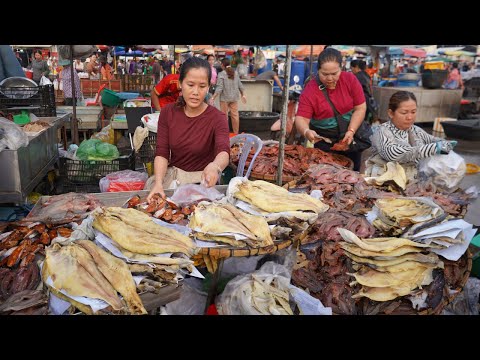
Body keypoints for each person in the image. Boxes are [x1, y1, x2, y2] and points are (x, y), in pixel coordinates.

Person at [146, 57, 230, 202]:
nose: (195, 92)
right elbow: (162, 152)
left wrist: (215, 166)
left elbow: (224, 151)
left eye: (202, 86)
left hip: (203, 186)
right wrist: (159, 183)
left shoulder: (218, 118)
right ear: (180, 84)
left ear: (209, 87)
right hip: (174, 183)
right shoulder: (168, 112)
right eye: (190, 85)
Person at [294, 47, 367, 171]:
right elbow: (301, 118)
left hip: (350, 140)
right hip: (324, 145)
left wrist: (351, 131)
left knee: (352, 176)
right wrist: (306, 131)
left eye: (334, 74)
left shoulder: (350, 80)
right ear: (318, 70)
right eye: (325, 74)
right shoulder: (311, 89)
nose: (330, 78)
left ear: (341, 68)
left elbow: (360, 108)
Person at [366, 90, 457, 180]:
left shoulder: (416, 130)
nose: (409, 117)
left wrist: (444, 144)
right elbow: (392, 153)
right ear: (391, 113)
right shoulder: (382, 131)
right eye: (404, 113)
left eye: (413, 112)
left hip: (411, 179)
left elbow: (431, 140)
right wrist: (432, 148)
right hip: (384, 180)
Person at [209, 58, 247, 134]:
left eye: (221, 64)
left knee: (224, 117)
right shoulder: (235, 73)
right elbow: (240, 85)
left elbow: (219, 88)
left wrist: (213, 97)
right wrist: (243, 94)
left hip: (224, 98)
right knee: (235, 116)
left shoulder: (221, 74)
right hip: (234, 98)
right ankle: (236, 133)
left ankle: (225, 134)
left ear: (223, 65)